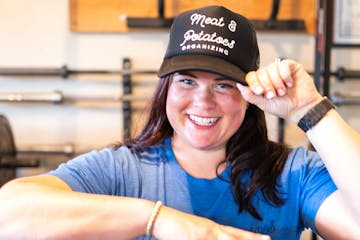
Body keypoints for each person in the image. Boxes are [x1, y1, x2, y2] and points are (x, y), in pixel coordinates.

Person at [0, 5, 359, 240]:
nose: (202, 101)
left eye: (223, 85)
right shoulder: (122, 170)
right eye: (187, 81)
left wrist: (311, 109)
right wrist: (156, 219)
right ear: (166, 90)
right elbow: (8, 215)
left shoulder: (291, 173)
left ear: (250, 96)